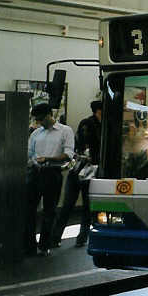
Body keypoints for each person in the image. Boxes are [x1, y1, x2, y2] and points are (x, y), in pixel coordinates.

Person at [26, 103, 75, 257]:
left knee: (49, 210)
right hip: (35, 172)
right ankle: (29, 245)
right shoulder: (35, 133)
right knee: (29, 210)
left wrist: (47, 158)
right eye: (37, 120)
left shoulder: (65, 131)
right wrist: (34, 162)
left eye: (41, 119)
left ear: (49, 115)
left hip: (52, 172)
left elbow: (68, 154)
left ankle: (44, 245)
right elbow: (30, 153)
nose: (39, 122)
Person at [53, 100, 101, 248]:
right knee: (86, 206)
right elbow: (84, 148)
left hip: (79, 169)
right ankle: (81, 238)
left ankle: (56, 238)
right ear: (99, 110)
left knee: (69, 204)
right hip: (87, 169)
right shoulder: (90, 124)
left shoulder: (88, 123)